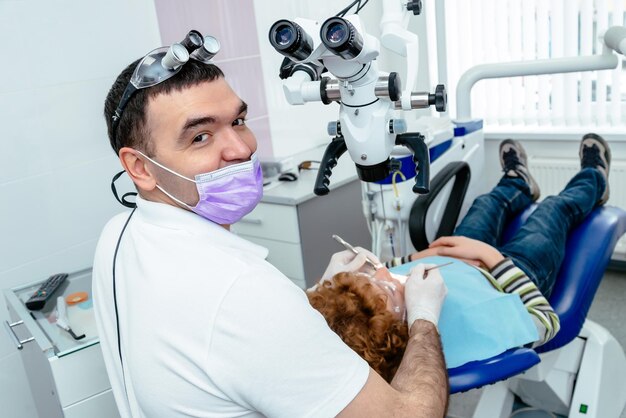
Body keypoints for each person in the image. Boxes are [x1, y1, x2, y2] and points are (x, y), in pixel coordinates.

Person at [92, 31, 449, 418]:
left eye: (239, 120)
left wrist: (304, 298)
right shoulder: (243, 297)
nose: (242, 149)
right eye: (200, 136)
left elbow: (209, 343)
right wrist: (423, 316)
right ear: (139, 167)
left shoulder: (118, 236)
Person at [307, 134, 611, 380]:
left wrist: (428, 253)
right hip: (512, 273)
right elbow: (546, 320)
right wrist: (490, 256)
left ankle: (518, 182)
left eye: (369, 276)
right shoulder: (451, 340)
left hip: (456, 261)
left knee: (485, 204)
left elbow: (390, 270)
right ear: (402, 331)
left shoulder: (379, 308)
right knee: (553, 210)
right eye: (387, 289)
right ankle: (594, 179)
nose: (384, 274)